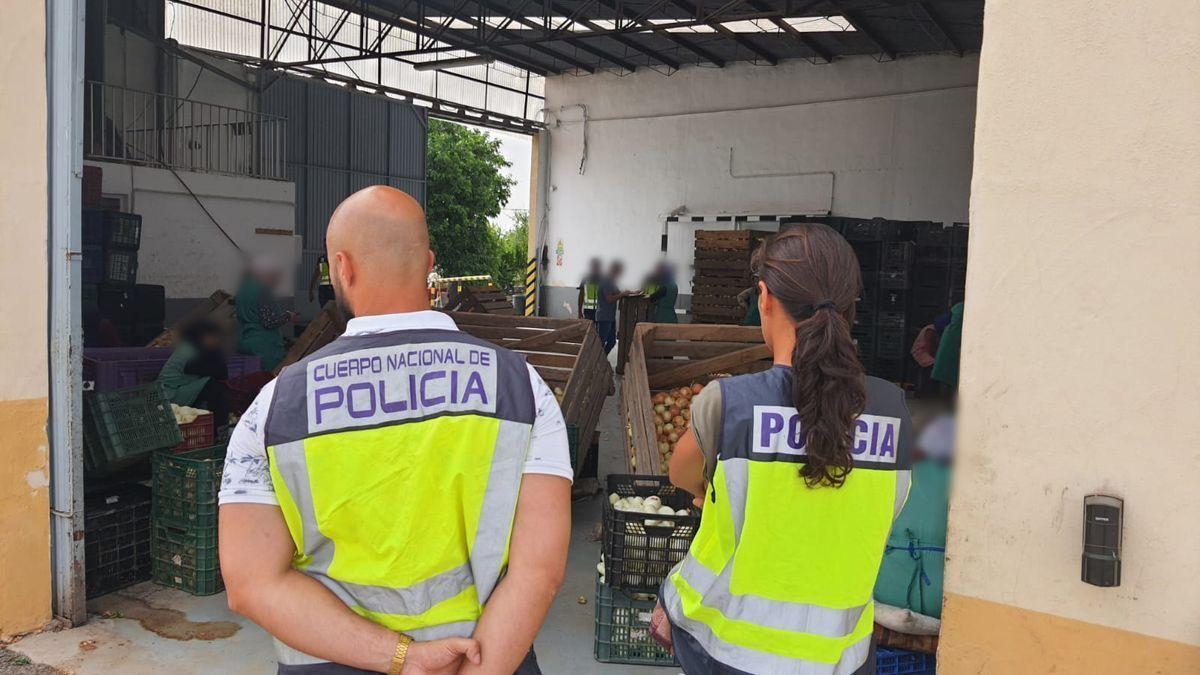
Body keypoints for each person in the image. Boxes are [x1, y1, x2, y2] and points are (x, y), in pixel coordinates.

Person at [219, 186, 572, 675]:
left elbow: (251, 583)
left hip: (331, 662)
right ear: (428, 262)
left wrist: (402, 659)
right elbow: (539, 574)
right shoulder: (521, 388)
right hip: (484, 657)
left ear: (341, 268)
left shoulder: (275, 407)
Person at [656, 224, 913, 674]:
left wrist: (713, 491)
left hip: (730, 656)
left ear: (765, 297)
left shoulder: (729, 405)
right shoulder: (894, 410)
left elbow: (681, 475)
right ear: (851, 306)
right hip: (840, 660)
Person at [158, 318, 231, 426]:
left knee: (213, 384)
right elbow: (219, 372)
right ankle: (219, 428)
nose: (216, 340)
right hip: (170, 395)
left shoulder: (197, 347)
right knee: (213, 386)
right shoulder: (190, 352)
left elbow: (222, 371)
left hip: (180, 388)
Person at [235, 257, 295, 372]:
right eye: (275, 276)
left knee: (250, 381)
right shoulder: (262, 291)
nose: (277, 280)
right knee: (266, 381)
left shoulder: (242, 290)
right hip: (265, 346)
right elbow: (268, 322)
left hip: (245, 339)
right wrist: (288, 316)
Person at [596, 260, 626, 354]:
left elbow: (618, 293)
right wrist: (622, 295)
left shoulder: (612, 282)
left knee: (612, 342)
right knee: (601, 342)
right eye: (619, 272)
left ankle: (602, 360)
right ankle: (597, 362)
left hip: (610, 317)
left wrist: (629, 293)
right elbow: (609, 299)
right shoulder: (607, 281)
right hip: (604, 316)